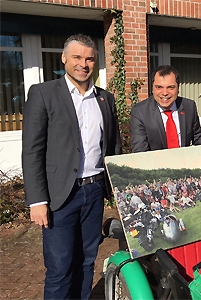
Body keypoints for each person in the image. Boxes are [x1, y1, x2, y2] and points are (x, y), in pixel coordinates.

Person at [22, 34, 122, 299]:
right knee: (60, 268)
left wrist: (117, 191)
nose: (83, 64)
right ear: (64, 58)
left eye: (89, 58)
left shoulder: (105, 98)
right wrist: (37, 200)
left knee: (87, 262)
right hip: (59, 197)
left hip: (94, 192)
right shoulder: (43, 94)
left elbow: (113, 147)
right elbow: (32, 150)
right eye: (77, 57)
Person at [130, 65, 201, 153]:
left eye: (170, 87)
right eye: (159, 87)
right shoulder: (140, 112)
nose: (164, 93)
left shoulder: (189, 106)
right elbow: (140, 152)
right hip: (156, 170)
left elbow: (197, 137)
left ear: (178, 88)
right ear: (152, 88)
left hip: (184, 169)